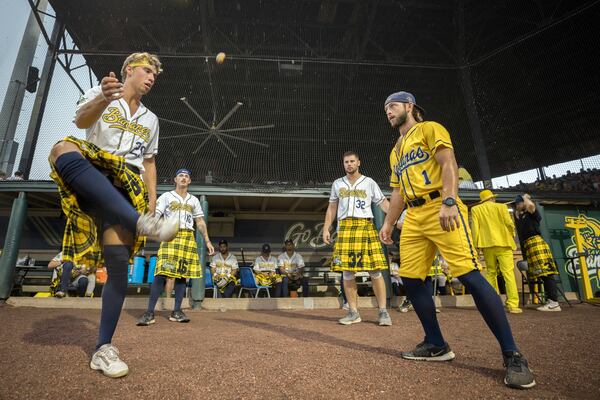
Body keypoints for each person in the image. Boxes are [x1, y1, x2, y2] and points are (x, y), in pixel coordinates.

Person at [379, 91, 535, 389]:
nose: (388, 111)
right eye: (386, 108)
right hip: (413, 217)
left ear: (409, 107)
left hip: (442, 207)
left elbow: (448, 162)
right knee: (411, 279)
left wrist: (450, 200)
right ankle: (436, 343)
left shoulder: (429, 128)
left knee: (470, 276)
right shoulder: (395, 150)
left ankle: (512, 354)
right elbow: (397, 192)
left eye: (394, 106)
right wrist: (388, 222)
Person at [48, 52, 179, 378]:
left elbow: (149, 164)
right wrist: (104, 99)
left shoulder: (151, 119)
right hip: (96, 168)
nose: (151, 78)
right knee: (62, 147)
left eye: (155, 75)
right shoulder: (102, 92)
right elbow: (80, 122)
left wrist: (151, 204)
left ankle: (102, 349)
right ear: (129, 70)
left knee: (118, 263)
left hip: (127, 183)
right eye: (147, 71)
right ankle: (141, 224)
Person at [137, 169, 215, 326]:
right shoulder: (166, 196)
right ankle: (149, 312)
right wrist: (149, 228)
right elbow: (156, 216)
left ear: (189, 181)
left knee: (182, 276)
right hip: (170, 236)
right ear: (175, 179)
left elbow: (200, 221)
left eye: (186, 176)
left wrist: (207, 241)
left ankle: (177, 311)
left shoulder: (194, 200)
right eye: (181, 176)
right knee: (161, 273)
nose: (184, 178)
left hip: (187, 237)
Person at [323, 151, 392, 326]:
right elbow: (332, 207)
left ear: (358, 162)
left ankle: (383, 311)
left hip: (365, 226)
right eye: (346, 162)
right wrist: (326, 228)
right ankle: (353, 312)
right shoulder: (338, 183)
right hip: (345, 227)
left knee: (375, 271)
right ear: (343, 164)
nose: (349, 164)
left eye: (352, 161)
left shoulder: (369, 182)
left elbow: (383, 203)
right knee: (347, 272)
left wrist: (394, 220)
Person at [471, 189, 521, 313]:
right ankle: (513, 305)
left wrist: (476, 246)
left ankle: (493, 304)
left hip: (487, 245)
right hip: (504, 243)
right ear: (492, 198)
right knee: (508, 274)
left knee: (491, 273)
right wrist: (511, 235)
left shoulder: (475, 210)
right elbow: (510, 224)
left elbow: (475, 229)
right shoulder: (502, 207)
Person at [514, 194, 561, 312]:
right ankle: (551, 301)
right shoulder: (522, 215)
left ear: (523, 203)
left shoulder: (531, 212)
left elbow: (530, 205)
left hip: (536, 241)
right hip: (530, 244)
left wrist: (525, 198)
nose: (517, 206)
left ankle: (554, 302)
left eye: (518, 203)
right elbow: (517, 214)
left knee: (547, 273)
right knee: (541, 273)